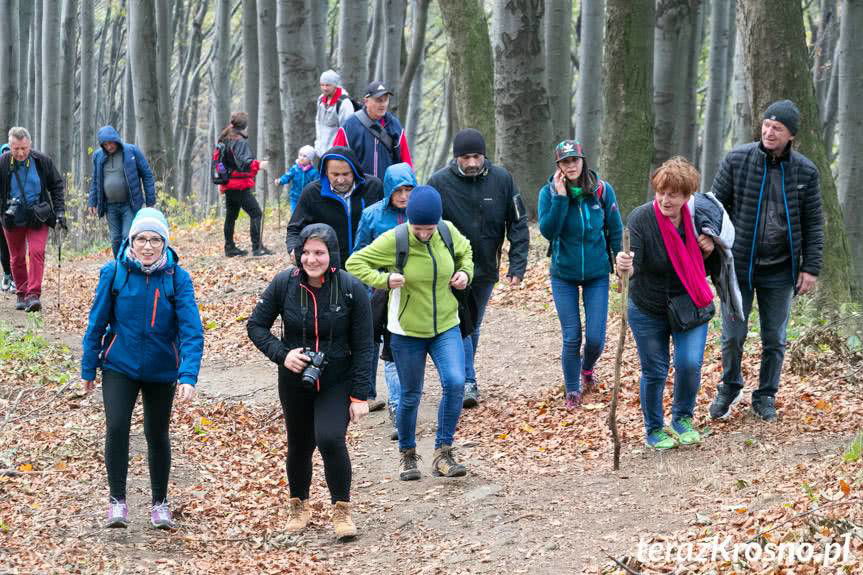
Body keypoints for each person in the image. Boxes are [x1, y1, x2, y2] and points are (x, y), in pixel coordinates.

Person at [247, 223, 373, 540]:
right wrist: (282, 354)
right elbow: (256, 326)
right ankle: (298, 506)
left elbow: (364, 346)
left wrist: (359, 396)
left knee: (330, 438)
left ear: (332, 255)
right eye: (306, 252)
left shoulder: (351, 288)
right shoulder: (283, 284)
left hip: (336, 378)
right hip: (294, 379)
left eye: (319, 252)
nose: (311, 259)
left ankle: (342, 511)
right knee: (300, 445)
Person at [80, 208, 204, 529]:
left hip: (162, 369)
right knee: (117, 426)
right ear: (130, 240)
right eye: (141, 239)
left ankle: (159, 503)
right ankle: (117, 501)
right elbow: (97, 322)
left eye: (154, 240)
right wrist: (88, 367)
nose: (147, 246)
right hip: (119, 365)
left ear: (165, 242)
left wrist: (188, 375)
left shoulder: (178, 277)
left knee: (156, 433)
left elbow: (192, 330)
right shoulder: (115, 273)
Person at [346, 186, 474, 481]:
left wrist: (465, 273)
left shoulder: (447, 231)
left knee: (455, 382)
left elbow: (466, 252)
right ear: (409, 221)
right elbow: (355, 263)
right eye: (419, 228)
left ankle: (443, 452)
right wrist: (384, 279)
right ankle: (407, 454)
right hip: (406, 331)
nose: (425, 234)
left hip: (445, 324)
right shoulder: (396, 238)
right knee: (410, 394)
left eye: (429, 228)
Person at [708, 99, 824, 422]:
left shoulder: (805, 172)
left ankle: (765, 396)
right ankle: (729, 387)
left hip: (780, 270)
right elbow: (715, 209)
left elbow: (814, 223)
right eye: (767, 125)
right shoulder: (737, 159)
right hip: (738, 267)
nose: (769, 132)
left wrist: (810, 268)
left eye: (778, 128)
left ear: (791, 136)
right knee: (733, 334)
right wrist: (713, 253)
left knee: (775, 338)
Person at [616, 157, 717, 449]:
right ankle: (654, 428)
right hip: (649, 307)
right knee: (656, 369)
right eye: (661, 191)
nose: (665, 199)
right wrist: (624, 266)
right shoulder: (642, 218)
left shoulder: (699, 218)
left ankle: (683, 417)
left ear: (687, 196)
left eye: (673, 193)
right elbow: (632, 265)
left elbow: (723, 240)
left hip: (690, 304)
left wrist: (710, 245)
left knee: (688, 362)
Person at [428, 128, 530, 408]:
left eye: (476, 156)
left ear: (484, 155)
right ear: (456, 157)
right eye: (465, 157)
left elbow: (518, 222)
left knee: (472, 324)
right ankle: (466, 381)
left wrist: (517, 264)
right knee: (460, 323)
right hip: (450, 269)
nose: (472, 162)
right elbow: (426, 225)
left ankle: (462, 377)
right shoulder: (438, 182)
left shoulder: (502, 179)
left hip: (485, 267)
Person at [538, 140, 623, 409]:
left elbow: (616, 229)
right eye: (565, 162)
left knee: (596, 337)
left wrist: (620, 265)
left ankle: (587, 367)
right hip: (563, 273)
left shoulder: (601, 190)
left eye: (575, 160)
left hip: (597, 272)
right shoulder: (548, 193)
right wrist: (560, 198)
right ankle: (573, 388)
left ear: (583, 161)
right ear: (558, 167)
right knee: (572, 335)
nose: (571, 165)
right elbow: (548, 231)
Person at [353, 162, 417, 435]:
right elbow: (359, 254)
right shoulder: (372, 215)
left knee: (406, 349)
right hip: (380, 293)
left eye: (408, 190)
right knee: (386, 349)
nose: (404, 196)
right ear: (389, 190)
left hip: (415, 293)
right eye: (398, 190)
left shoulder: (423, 214)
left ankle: (404, 404)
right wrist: (369, 287)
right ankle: (396, 407)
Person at [0, 127, 66, 312]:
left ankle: (33, 294)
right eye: (16, 149)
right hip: (12, 217)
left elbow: (57, 186)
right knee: (17, 257)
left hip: (38, 215)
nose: (20, 153)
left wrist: (60, 212)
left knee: (37, 252)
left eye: (24, 148)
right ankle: (21, 292)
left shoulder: (41, 161)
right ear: (10, 146)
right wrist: (3, 210)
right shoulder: (3, 163)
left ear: (30, 145)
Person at [285, 146, 383, 263]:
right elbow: (295, 228)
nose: (341, 180)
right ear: (326, 172)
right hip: (328, 267)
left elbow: (387, 219)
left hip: (368, 264)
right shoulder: (312, 192)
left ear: (355, 171)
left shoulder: (373, 186)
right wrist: (293, 249)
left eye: (346, 174)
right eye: (335, 175)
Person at [87, 125, 157, 257]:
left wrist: (150, 201)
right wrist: (92, 201)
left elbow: (147, 175)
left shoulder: (131, 151)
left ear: (116, 139)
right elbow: (96, 180)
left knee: (127, 236)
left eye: (111, 142)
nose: (109, 146)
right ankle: (120, 266)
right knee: (115, 239)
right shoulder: (98, 156)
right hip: (110, 206)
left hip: (130, 204)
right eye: (105, 144)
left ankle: (131, 264)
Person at [217, 112, 272, 257]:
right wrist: (260, 164)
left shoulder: (224, 138)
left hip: (228, 184)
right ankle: (257, 248)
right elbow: (244, 163)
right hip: (239, 185)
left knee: (231, 216)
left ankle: (229, 248)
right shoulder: (239, 141)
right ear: (244, 126)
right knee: (256, 213)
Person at [332, 81, 412, 179]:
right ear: (366, 101)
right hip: (358, 190)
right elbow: (335, 159)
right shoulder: (349, 126)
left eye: (385, 99)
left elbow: (405, 162)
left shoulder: (395, 126)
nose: (383, 104)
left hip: (387, 190)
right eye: (378, 100)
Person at [315, 69, 355, 157]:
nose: (324, 88)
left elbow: (346, 131)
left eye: (328, 85)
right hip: (322, 152)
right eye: (322, 85)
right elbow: (318, 122)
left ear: (335, 85)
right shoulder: (321, 99)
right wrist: (318, 144)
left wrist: (338, 152)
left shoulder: (344, 103)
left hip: (337, 154)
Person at [275, 145, 320, 213]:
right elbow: (287, 176)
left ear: (310, 159)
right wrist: (280, 181)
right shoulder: (295, 169)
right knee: (295, 214)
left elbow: (317, 184)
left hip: (307, 198)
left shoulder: (313, 172)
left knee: (305, 214)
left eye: (305, 156)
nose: (301, 158)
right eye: (300, 155)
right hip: (295, 198)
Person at [0, 143, 13, 292]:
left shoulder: (20, 169)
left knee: (15, 249)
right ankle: (7, 275)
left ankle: (16, 278)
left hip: (17, 214)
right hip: (2, 213)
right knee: (3, 246)